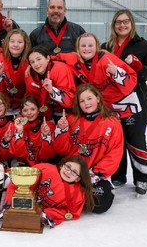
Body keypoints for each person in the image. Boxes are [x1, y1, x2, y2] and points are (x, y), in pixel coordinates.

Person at [101, 9, 147, 194]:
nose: (122, 25)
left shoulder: (143, 45)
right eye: (118, 22)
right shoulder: (105, 47)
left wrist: (139, 68)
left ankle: (143, 178)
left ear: (132, 23)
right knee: (115, 141)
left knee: (136, 139)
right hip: (111, 103)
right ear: (113, 25)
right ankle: (118, 176)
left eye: (125, 22)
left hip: (135, 102)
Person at [45, 83, 123, 214]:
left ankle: (96, 189)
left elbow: (114, 154)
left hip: (93, 174)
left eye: (89, 98)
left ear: (98, 98)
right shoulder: (71, 120)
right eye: (82, 101)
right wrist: (61, 130)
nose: (86, 103)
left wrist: (95, 175)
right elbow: (61, 150)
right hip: (70, 172)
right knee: (50, 192)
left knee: (99, 205)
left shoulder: (112, 123)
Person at [56, 33, 139, 120]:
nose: (87, 48)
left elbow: (132, 80)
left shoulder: (107, 59)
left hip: (126, 107)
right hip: (101, 109)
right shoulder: (72, 59)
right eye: (83, 46)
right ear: (78, 48)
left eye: (90, 45)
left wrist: (117, 72)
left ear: (97, 47)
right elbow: (50, 59)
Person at [0, 156, 94, 228]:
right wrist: (8, 203)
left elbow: (70, 213)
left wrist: (48, 214)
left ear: (77, 179)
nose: (68, 172)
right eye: (68, 167)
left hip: (33, 207)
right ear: (61, 166)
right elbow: (20, 184)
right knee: (0, 181)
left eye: (74, 172)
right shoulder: (46, 169)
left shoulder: (77, 194)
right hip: (18, 193)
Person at [0, 29, 31, 116]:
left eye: (20, 42)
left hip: (22, 110)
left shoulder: (30, 62)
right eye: (12, 41)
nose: (15, 45)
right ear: (7, 43)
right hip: (0, 109)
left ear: (25, 44)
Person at [25, 46, 76, 122]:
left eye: (39, 59)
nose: (36, 64)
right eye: (32, 62)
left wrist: (52, 91)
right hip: (45, 115)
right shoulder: (29, 75)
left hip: (67, 114)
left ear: (48, 58)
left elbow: (70, 100)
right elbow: (31, 97)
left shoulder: (60, 70)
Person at [10, 96, 56, 166]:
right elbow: (17, 153)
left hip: (43, 164)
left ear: (38, 111)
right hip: (23, 165)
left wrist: (46, 136)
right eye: (25, 110)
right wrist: (19, 131)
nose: (29, 113)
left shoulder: (49, 126)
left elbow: (49, 154)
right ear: (21, 113)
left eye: (32, 109)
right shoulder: (16, 126)